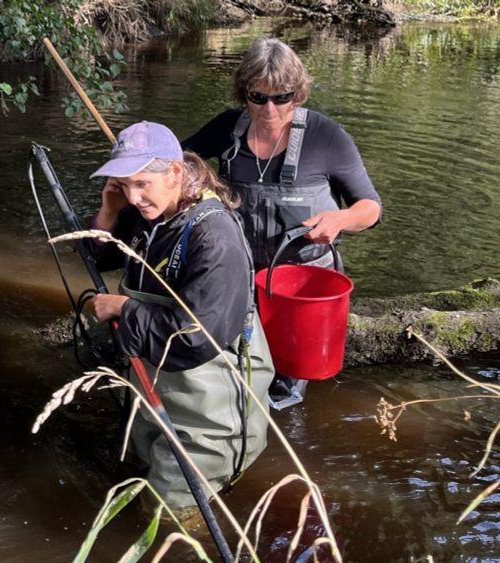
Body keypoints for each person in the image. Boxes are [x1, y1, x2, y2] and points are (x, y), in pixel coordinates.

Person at [182, 37, 382, 408]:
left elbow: (370, 209)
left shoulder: (327, 137)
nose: (270, 109)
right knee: (227, 374)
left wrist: (340, 218)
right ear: (245, 93)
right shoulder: (228, 129)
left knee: (284, 392)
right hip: (237, 275)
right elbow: (181, 162)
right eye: (258, 98)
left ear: (298, 93)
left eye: (282, 97)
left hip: (299, 286)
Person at [90, 121, 275, 511]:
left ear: (175, 172)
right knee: (141, 473)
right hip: (159, 391)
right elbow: (101, 255)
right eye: (124, 185)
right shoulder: (150, 210)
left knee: (168, 516)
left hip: (208, 414)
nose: (134, 197)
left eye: (142, 183)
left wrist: (124, 308)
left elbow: (197, 337)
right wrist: (109, 210)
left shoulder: (215, 235)